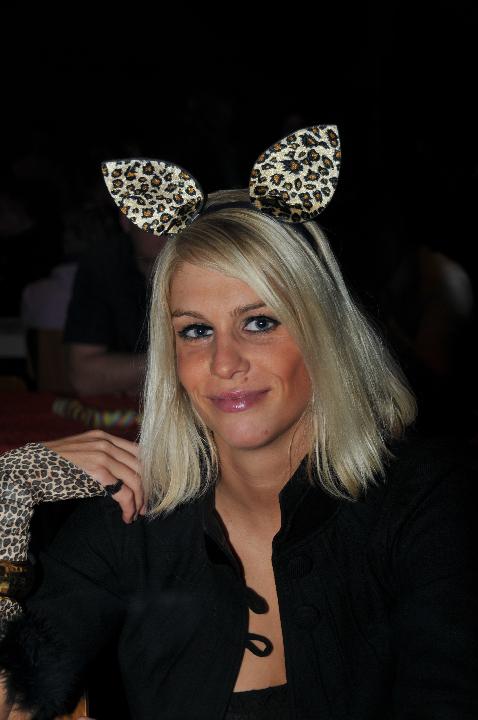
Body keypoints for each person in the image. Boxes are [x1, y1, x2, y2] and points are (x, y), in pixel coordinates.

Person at [0, 126, 476, 719]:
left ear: (323, 334)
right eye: (196, 331)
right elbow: (11, 702)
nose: (224, 362)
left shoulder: (426, 503)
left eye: (259, 322)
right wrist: (7, 499)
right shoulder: (133, 517)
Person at [64, 212, 168, 397]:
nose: (166, 227)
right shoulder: (104, 264)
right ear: (126, 220)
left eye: (178, 213)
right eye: (153, 214)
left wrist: (126, 375)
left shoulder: (206, 263)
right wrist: (168, 365)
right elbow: (83, 377)